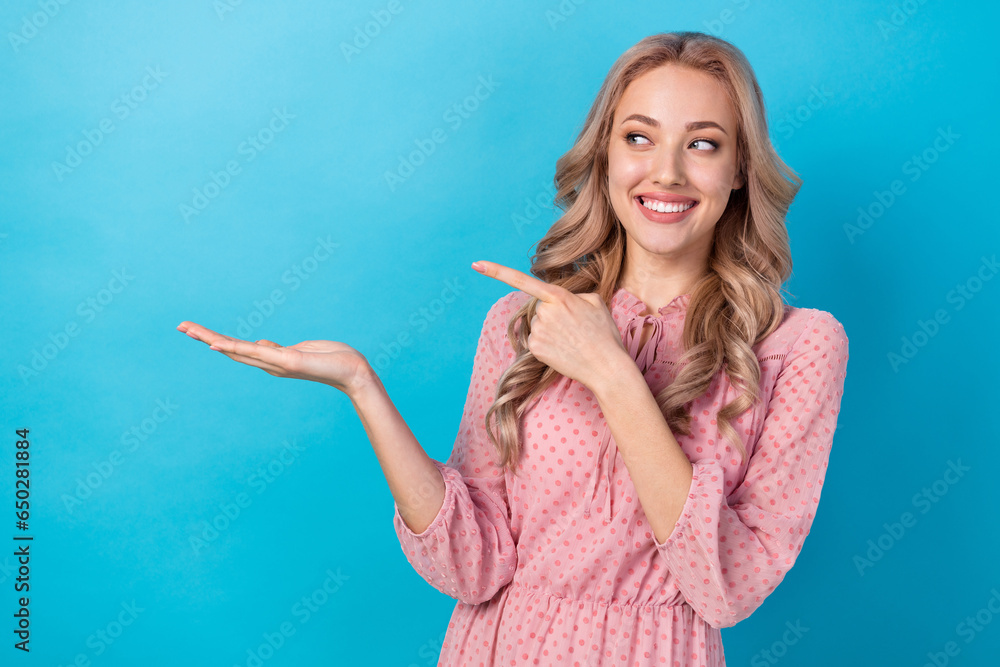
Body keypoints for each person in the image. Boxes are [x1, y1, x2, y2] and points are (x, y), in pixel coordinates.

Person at [177, 31, 849, 667]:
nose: (666, 172)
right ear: (607, 156)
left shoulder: (800, 346)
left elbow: (723, 586)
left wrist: (613, 374)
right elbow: (472, 563)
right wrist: (360, 384)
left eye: (702, 144)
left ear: (739, 169)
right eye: (638, 137)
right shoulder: (522, 323)